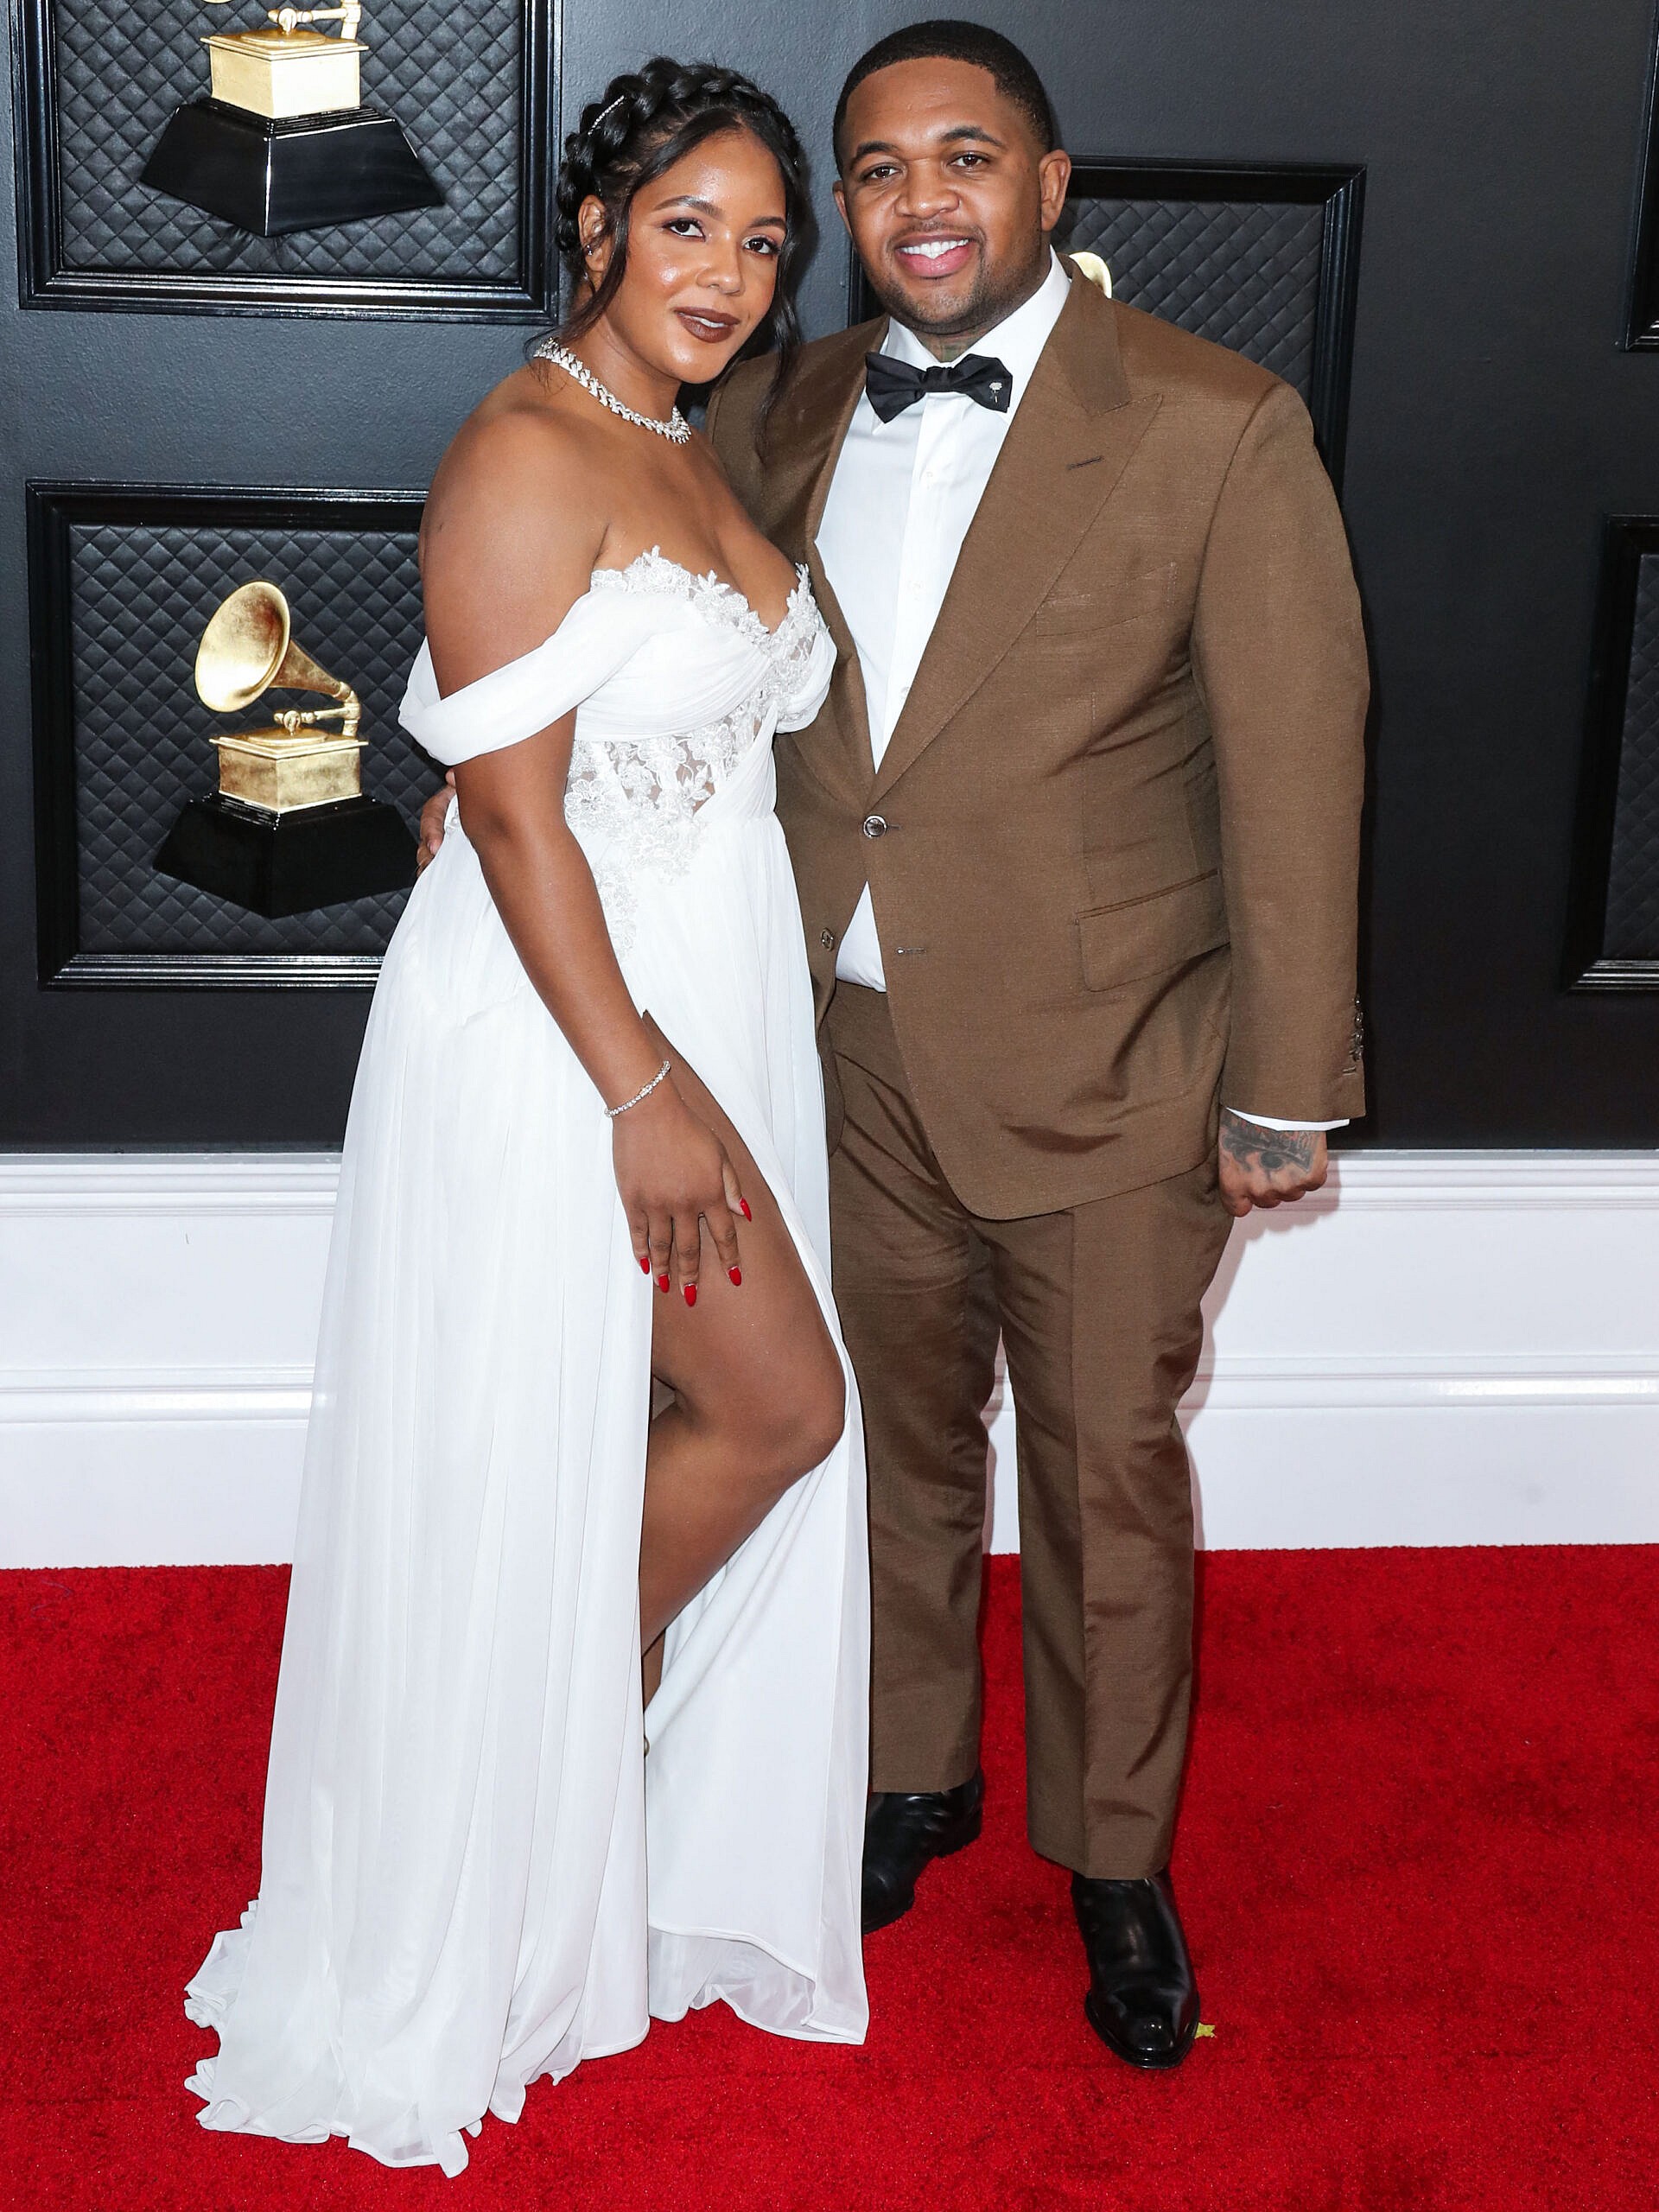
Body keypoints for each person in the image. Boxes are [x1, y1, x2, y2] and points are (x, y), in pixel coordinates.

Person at [183, 60, 868, 2177]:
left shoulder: (684, 437)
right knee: (781, 1407)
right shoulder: (521, 443)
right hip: (587, 1039)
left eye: (765, 243)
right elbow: (505, 806)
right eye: (691, 226)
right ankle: (509, 1783)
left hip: (695, 999)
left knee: (634, 1428)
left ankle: (535, 1765)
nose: (733, 275)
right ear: (595, 227)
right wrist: (643, 1092)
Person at [703, 18, 1368, 2070]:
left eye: (966, 158)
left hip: (1117, 1059)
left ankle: (1112, 1856)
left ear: (1051, 188)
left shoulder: (1212, 420)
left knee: (1102, 1477)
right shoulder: (784, 405)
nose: (924, 200)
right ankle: (919, 1770)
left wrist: (1285, 1081)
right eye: (883, 167)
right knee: (892, 1446)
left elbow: (1295, 764)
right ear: (847, 207)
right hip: (848, 1047)